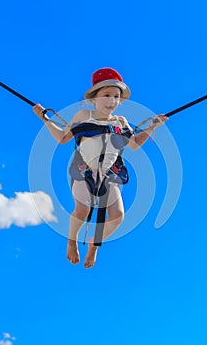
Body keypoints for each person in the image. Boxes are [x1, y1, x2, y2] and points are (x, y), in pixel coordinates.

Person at [33, 67, 168, 269]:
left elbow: (133, 144)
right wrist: (44, 118)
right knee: (83, 209)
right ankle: (71, 240)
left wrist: (152, 126)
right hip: (84, 169)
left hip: (109, 174)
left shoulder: (120, 122)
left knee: (118, 216)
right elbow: (63, 138)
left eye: (116, 97)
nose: (112, 101)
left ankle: (93, 245)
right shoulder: (84, 114)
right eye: (106, 95)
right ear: (94, 98)